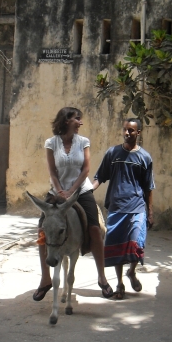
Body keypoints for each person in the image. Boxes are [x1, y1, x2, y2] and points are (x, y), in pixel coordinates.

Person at [33, 107, 114, 301]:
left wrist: (72, 191)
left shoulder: (83, 142)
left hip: (81, 191)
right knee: (42, 230)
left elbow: (86, 170)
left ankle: (102, 278)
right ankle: (45, 279)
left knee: (95, 229)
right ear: (67, 120)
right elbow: (52, 172)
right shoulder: (51, 143)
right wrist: (60, 190)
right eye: (77, 118)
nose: (80, 122)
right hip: (57, 191)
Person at [93, 118, 155, 300]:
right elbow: (100, 177)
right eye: (125, 130)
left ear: (138, 133)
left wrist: (150, 212)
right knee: (116, 247)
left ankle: (132, 272)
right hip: (116, 207)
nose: (127, 133)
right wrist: (87, 190)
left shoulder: (145, 158)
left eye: (131, 130)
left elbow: (149, 187)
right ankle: (119, 283)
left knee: (136, 244)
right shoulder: (112, 153)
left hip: (137, 207)